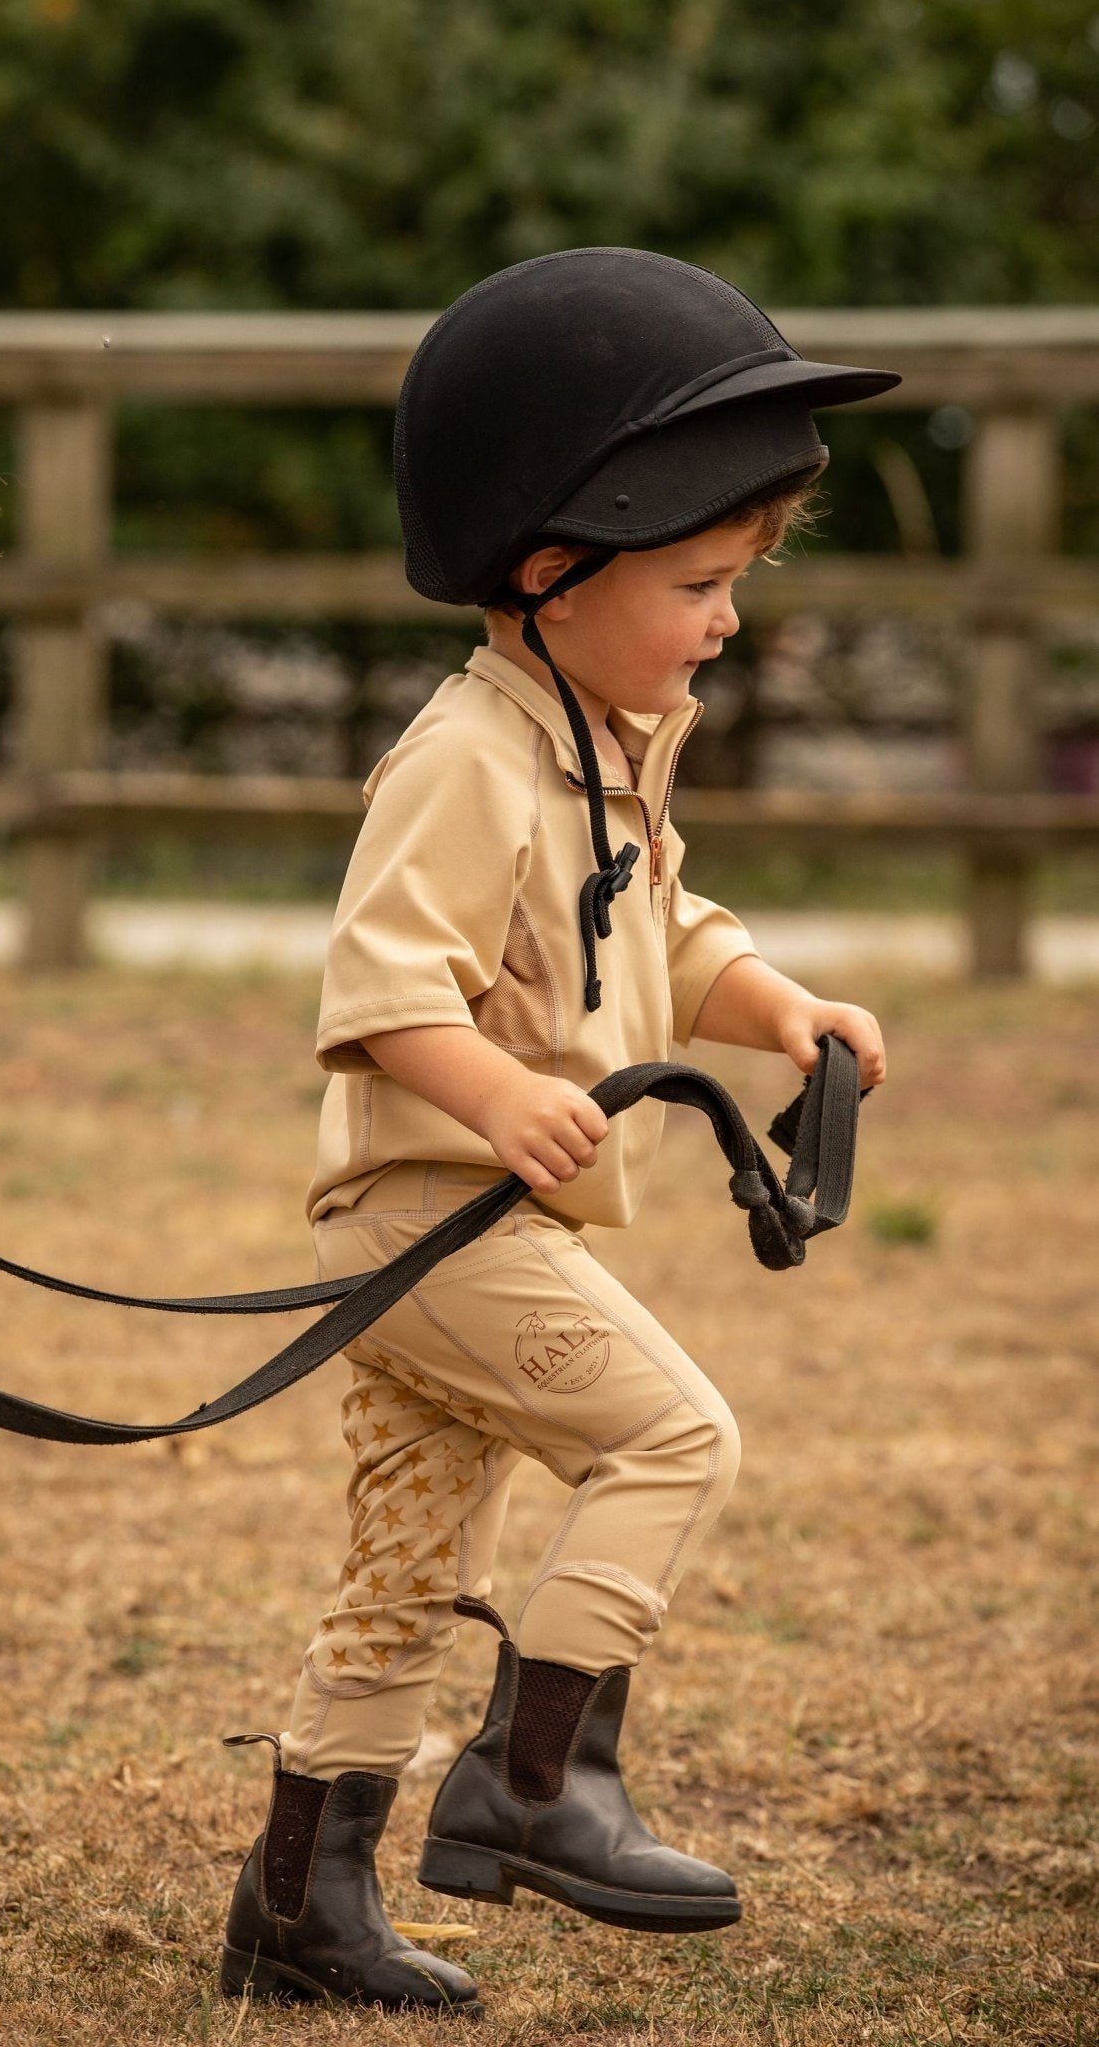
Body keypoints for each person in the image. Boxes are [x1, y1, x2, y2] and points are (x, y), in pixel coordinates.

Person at [220, 247, 895, 2018]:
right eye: (698, 583)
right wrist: (501, 1090)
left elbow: (660, 927)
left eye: (734, 582)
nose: (727, 621)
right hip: (430, 1225)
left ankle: (300, 1905)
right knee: (674, 1438)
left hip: (478, 1230)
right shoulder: (464, 760)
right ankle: (533, 1786)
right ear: (549, 572)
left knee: (399, 1584)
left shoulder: (605, 735)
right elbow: (378, 992)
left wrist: (782, 1011)